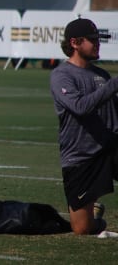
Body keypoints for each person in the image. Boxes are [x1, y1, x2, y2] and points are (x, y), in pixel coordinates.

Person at [49, 17, 117, 235]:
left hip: (110, 148)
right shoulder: (62, 75)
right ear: (75, 43)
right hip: (81, 157)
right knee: (82, 228)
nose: (98, 44)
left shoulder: (102, 75)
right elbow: (80, 107)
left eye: (99, 40)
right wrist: (114, 84)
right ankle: (94, 214)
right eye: (92, 40)